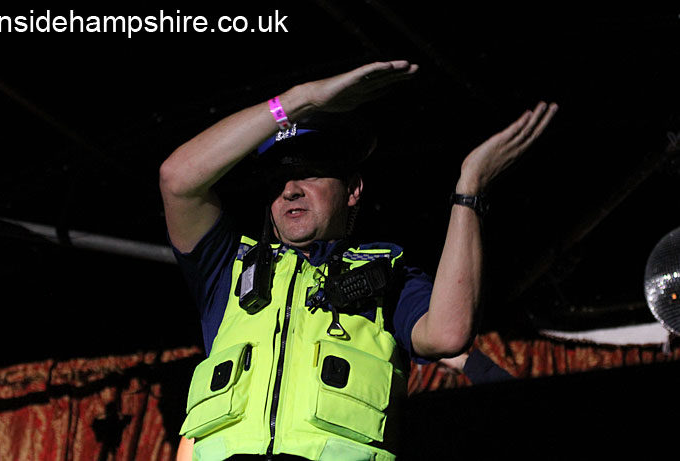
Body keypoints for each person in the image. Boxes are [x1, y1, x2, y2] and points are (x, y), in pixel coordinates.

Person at [160, 60, 557, 460]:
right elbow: (178, 180)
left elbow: (447, 334)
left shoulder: (387, 275)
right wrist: (298, 101)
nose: (290, 190)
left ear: (352, 190)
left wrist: (469, 190)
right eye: (278, 180)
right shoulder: (227, 267)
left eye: (311, 174)